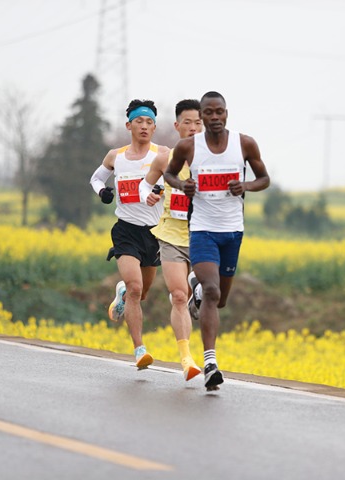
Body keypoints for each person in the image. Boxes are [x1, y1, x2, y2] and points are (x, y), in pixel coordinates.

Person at [164, 91, 270, 390]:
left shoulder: (244, 144)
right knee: (211, 292)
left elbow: (265, 179)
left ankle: (198, 287)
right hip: (202, 229)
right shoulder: (188, 147)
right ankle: (211, 363)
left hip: (233, 231)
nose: (213, 118)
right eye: (207, 113)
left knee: (220, 299)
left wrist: (246, 185)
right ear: (202, 115)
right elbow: (170, 175)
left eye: (218, 112)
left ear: (226, 113)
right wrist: (183, 184)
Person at [89, 99, 169, 370]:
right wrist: (103, 192)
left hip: (154, 234)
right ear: (129, 125)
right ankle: (139, 350)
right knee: (136, 289)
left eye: (149, 122)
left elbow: (177, 182)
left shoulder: (162, 155)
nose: (144, 126)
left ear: (155, 127)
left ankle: (121, 293)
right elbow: (96, 178)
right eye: (139, 121)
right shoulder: (116, 156)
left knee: (141, 293)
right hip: (125, 231)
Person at [138, 99, 203, 382]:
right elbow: (145, 184)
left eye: (198, 122)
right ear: (177, 126)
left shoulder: (213, 160)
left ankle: (196, 288)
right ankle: (187, 358)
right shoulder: (165, 159)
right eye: (187, 122)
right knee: (178, 297)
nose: (193, 127)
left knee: (207, 297)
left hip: (203, 236)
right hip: (171, 237)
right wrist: (149, 195)